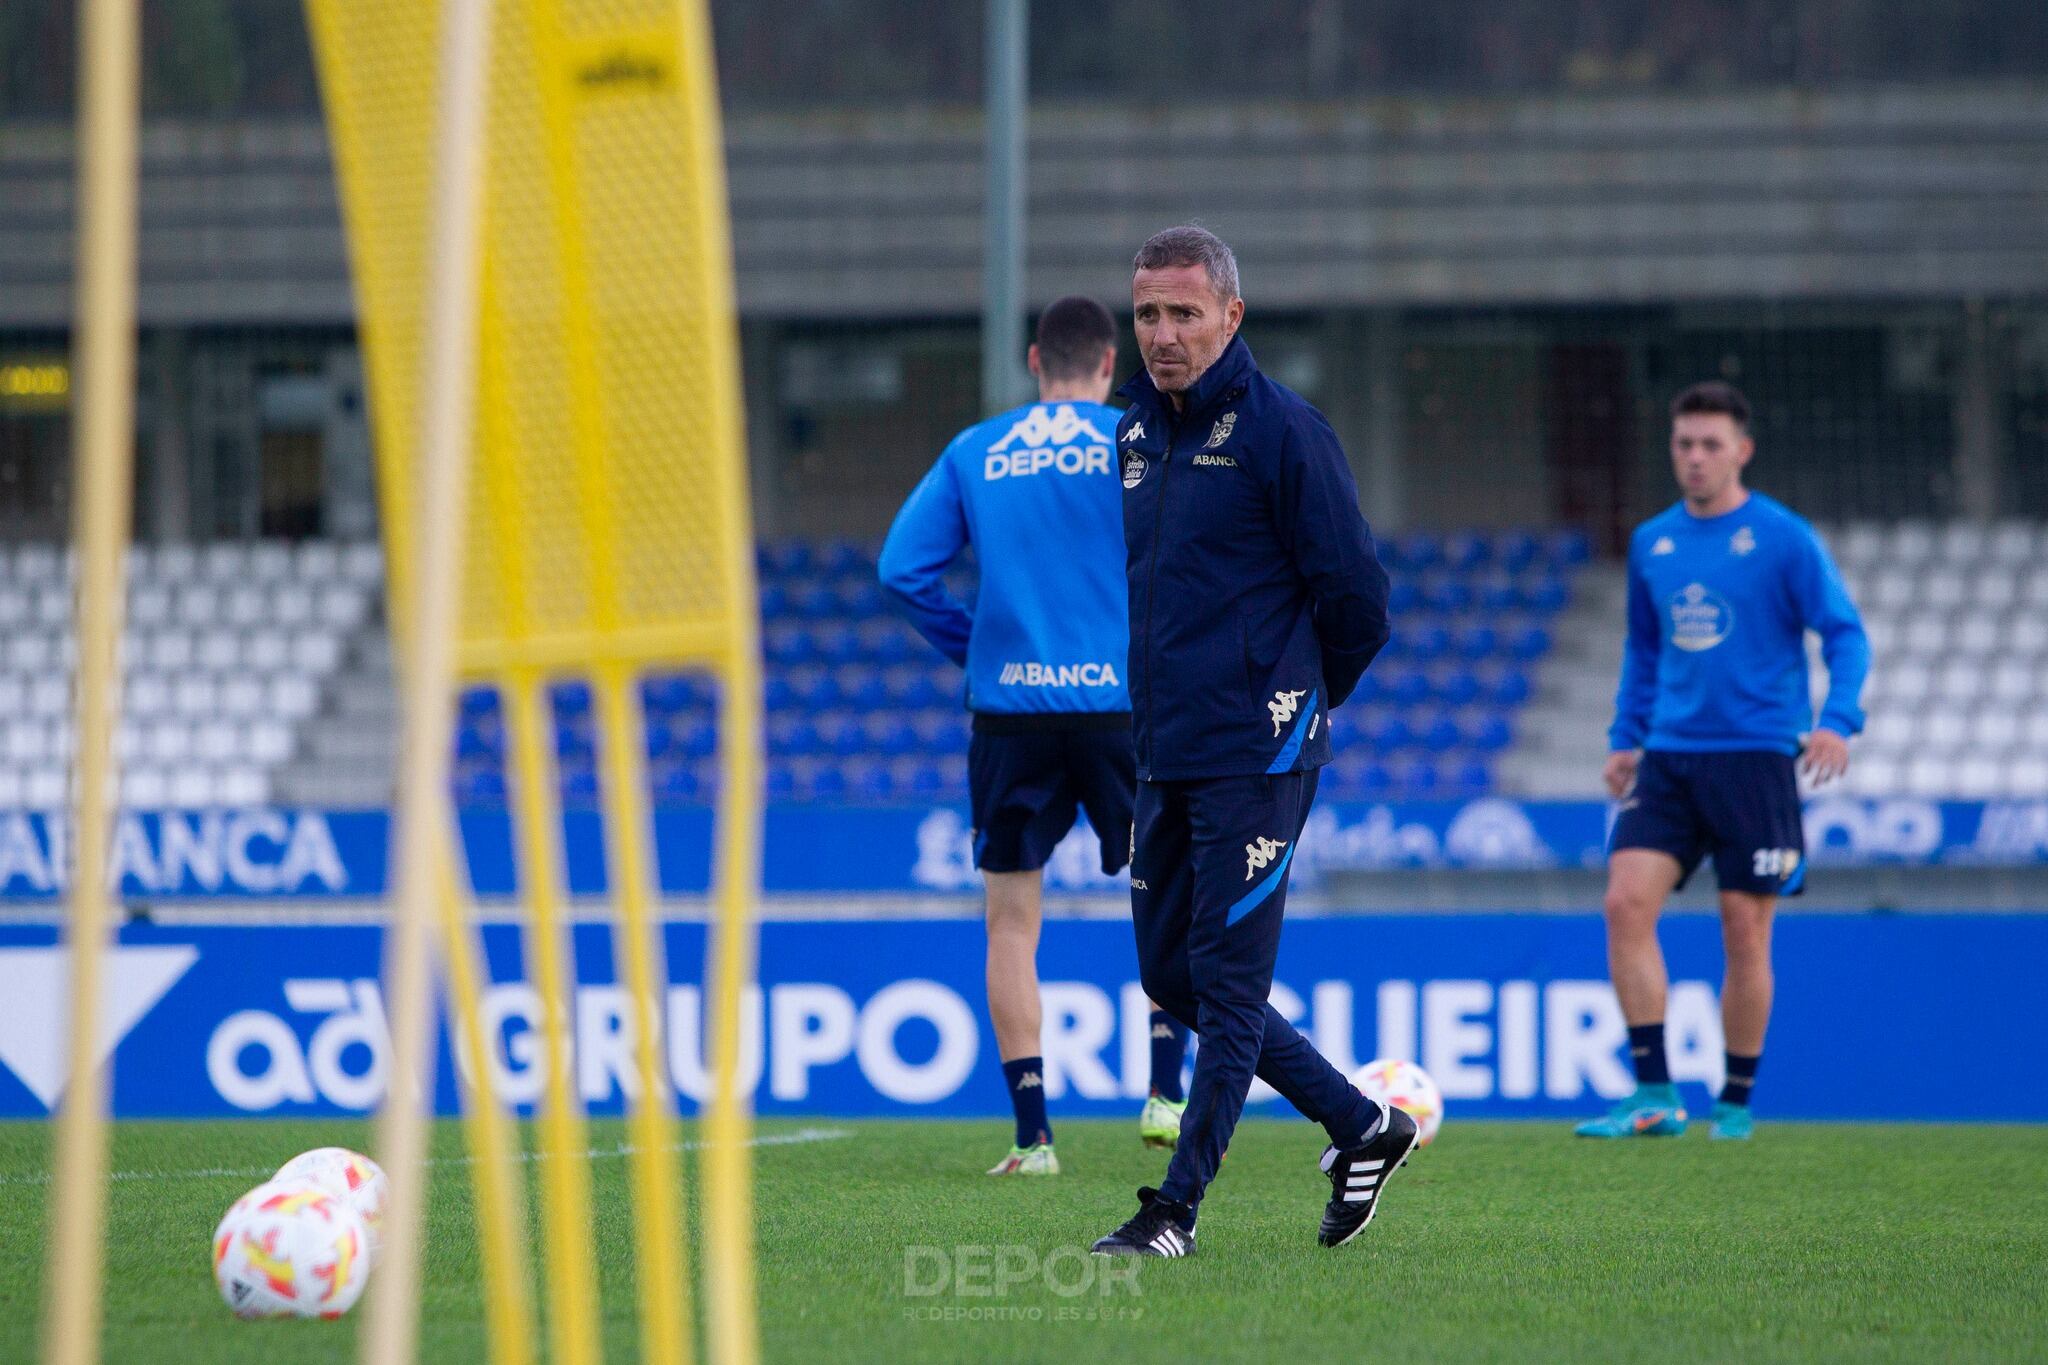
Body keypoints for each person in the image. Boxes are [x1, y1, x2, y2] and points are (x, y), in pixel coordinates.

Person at [1089, 225, 1416, 1259]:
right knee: (1169, 980)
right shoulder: (1132, 435)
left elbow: (1356, 600)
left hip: (1257, 755)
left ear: (1232, 317)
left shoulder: (1284, 432)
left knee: (1224, 987)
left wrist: (1299, 709)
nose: (1163, 334)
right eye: (1146, 313)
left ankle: (1172, 1211)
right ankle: (1363, 1125)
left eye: (1184, 312)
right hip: (1164, 752)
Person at [879, 296, 1192, 1176]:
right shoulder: (1135, 439)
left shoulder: (977, 450)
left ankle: (1033, 1136)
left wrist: (974, 642)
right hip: (1120, 705)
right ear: (1106, 363)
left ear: (1033, 361)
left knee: (1011, 922)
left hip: (1011, 711)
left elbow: (901, 571)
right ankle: (1166, 1091)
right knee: (1163, 886)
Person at [1578, 380, 1870, 1142]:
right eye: (1684, 444)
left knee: (1744, 930)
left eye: (1711, 444)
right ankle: (1653, 1094)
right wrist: (1624, 735)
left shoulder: (1782, 537)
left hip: (1756, 759)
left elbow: (1844, 634)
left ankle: (1735, 1100)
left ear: (1742, 450)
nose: (1696, 458)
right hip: (1670, 758)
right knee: (1623, 903)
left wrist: (1837, 719)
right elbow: (1645, 648)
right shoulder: (1653, 542)